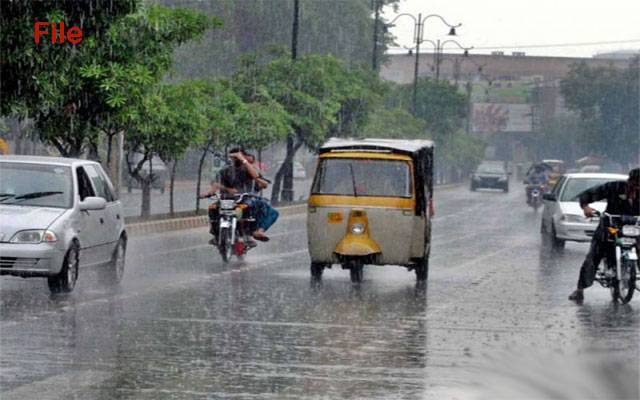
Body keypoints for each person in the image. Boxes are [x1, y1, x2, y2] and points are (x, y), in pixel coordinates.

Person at [569, 168, 640, 302]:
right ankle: (580, 290)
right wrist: (586, 207)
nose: (637, 188)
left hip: (634, 228)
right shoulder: (614, 187)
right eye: (636, 184)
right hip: (610, 226)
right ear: (630, 181)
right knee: (594, 255)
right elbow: (588, 194)